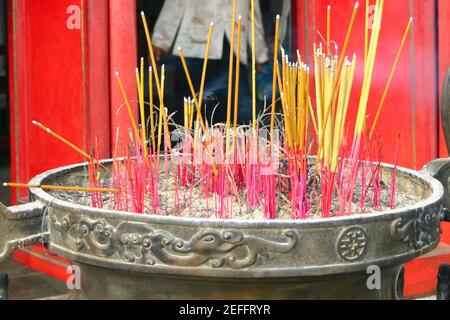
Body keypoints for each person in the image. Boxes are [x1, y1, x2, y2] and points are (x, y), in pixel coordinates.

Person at [151, 0, 270, 125]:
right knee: (191, 111)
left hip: (234, 48)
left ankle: (237, 143)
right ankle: (187, 143)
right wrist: (161, 39)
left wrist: (259, 54)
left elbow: (253, 14)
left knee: (241, 112)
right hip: (196, 45)